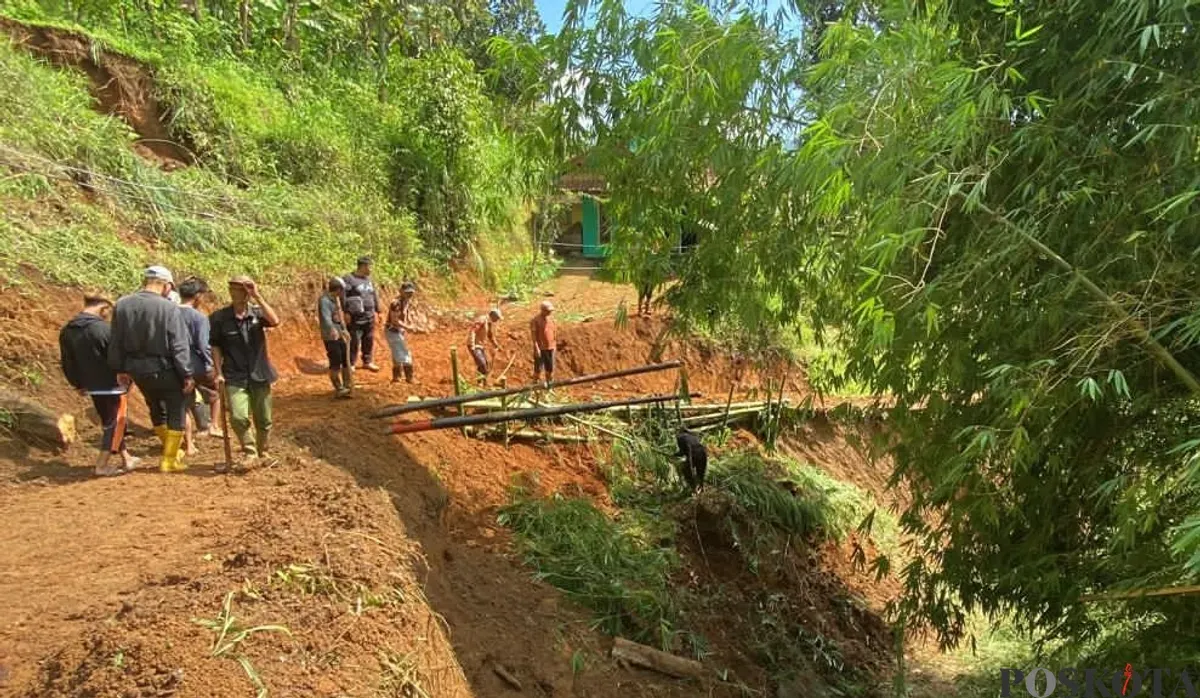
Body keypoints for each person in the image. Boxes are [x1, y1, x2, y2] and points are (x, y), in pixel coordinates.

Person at [108, 265, 194, 473]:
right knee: (176, 410)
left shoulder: (122, 305)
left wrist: (119, 368)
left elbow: (116, 341)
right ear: (167, 286)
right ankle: (169, 460)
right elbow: (179, 344)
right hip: (165, 368)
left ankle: (170, 452)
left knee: (155, 408)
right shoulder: (168, 308)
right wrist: (187, 373)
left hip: (137, 370)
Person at [59, 294, 141, 476]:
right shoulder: (103, 329)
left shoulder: (68, 331)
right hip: (113, 384)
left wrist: (77, 383)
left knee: (109, 421)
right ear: (103, 308)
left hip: (92, 385)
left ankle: (126, 458)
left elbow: (67, 361)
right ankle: (101, 465)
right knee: (115, 424)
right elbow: (118, 357)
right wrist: (127, 375)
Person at [210, 276, 280, 467]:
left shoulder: (257, 314)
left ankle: (262, 451)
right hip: (234, 374)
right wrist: (218, 372)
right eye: (233, 290)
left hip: (260, 373)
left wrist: (258, 296)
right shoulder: (219, 318)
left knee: (264, 418)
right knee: (238, 416)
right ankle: (250, 451)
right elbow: (215, 346)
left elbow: (275, 321)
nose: (237, 294)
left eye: (241, 290)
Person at [177, 277, 217, 456]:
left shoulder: (169, 313)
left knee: (183, 404)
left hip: (176, 366)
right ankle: (212, 425)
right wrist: (211, 365)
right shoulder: (198, 317)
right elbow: (204, 344)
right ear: (198, 296)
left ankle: (189, 444)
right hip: (196, 365)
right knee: (216, 391)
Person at [342, 256, 381, 372]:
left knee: (368, 339)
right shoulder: (348, 279)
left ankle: (367, 361)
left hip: (369, 315)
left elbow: (374, 295)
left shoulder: (368, 280)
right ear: (363, 266)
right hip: (355, 315)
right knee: (354, 340)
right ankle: (351, 363)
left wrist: (378, 311)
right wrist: (346, 312)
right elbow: (343, 296)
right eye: (369, 266)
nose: (371, 269)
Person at [318, 276, 353, 398]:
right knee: (335, 361)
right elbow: (326, 317)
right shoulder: (324, 301)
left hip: (339, 334)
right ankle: (339, 388)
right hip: (330, 336)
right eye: (342, 290)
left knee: (345, 359)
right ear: (338, 289)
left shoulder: (336, 300)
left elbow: (339, 317)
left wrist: (344, 330)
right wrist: (332, 329)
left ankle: (347, 386)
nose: (343, 292)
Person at [386, 281, 418, 384]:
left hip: (398, 330)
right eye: (407, 292)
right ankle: (409, 377)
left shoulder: (406, 301)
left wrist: (409, 325)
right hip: (392, 330)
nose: (409, 295)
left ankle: (397, 377)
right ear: (401, 291)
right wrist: (408, 327)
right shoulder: (396, 303)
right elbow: (395, 320)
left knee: (396, 352)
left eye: (411, 293)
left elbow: (405, 315)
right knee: (405, 353)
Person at [467, 308, 503, 384]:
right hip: (474, 345)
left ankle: (482, 383)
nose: (497, 320)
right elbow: (473, 330)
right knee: (482, 364)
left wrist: (496, 345)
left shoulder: (489, 323)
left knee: (485, 365)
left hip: (479, 346)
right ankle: (481, 383)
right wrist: (472, 345)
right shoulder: (482, 319)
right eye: (497, 318)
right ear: (493, 315)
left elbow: (490, 336)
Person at [530, 300, 557, 385]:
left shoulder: (551, 320)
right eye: (548, 311)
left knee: (550, 369)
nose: (550, 312)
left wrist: (554, 346)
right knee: (538, 369)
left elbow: (553, 332)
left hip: (550, 347)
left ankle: (549, 386)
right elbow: (533, 335)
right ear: (543, 310)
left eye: (550, 311)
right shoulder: (535, 320)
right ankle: (534, 386)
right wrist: (536, 348)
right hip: (541, 348)